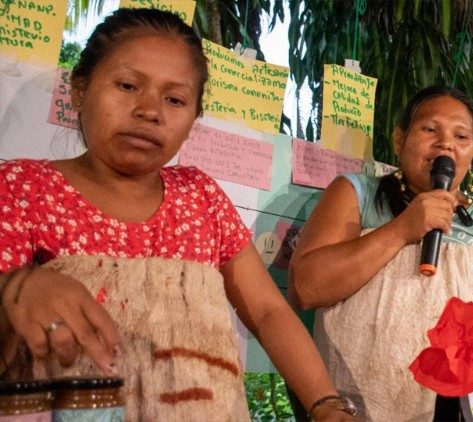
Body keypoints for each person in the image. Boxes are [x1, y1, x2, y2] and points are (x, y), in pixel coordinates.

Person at [0, 8, 354, 421]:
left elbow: (268, 311)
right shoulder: (22, 188)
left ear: (192, 119)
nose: (150, 110)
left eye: (175, 99)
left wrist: (327, 406)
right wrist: (15, 290)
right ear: (79, 90)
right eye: (128, 85)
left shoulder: (200, 196)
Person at [289, 85, 473, 420]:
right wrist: (401, 230)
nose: (445, 143)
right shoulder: (355, 193)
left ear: (472, 153)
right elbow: (306, 288)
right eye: (429, 129)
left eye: (461, 136)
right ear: (399, 140)